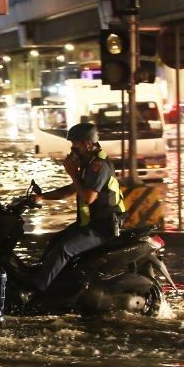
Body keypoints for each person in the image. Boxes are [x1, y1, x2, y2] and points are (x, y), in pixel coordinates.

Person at [29, 122, 126, 292]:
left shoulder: (98, 166)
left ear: (88, 143)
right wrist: (42, 197)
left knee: (64, 249)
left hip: (103, 227)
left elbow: (88, 197)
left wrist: (73, 173)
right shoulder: (88, 165)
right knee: (55, 241)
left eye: (75, 143)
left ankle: (35, 292)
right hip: (90, 224)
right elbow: (72, 190)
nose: (73, 148)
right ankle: (54, 285)